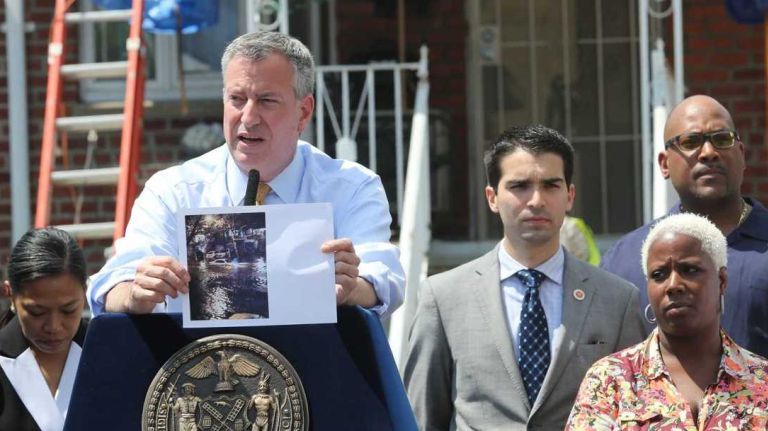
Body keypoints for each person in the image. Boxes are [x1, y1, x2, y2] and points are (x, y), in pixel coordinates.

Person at [86, 31, 404, 318]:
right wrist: (136, 294)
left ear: (303, 112)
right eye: (237, 99)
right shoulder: (174, 190)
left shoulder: (351, 187)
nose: (248, 118)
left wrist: (352, 288)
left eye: (266, 101)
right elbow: (111, 287)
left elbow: (383, 278)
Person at [403, 125, 645, 430]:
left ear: (569, 195)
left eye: (551, 185)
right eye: (519, 186)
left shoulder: (617, 300)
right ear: (492, 197)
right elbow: (419, 418)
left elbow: (637, 412)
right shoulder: (443, 297)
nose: (536, 200)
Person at [600, 94, 768, 358]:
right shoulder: (625, 260)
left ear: (742, 154)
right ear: (665, 164)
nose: (709, 153)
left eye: (722, 139)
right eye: (691, 142)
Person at [566, 213, 768, 430]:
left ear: (721, 280)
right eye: (659, 274)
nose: (673, 285)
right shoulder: (611, 380)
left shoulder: (761, 381)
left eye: (689, 270)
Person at [0, 227, 89, 430]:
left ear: (85, 292)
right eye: (37, 312)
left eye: (68, 310)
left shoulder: (108, 353)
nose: (53, 327)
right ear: (10, 294)